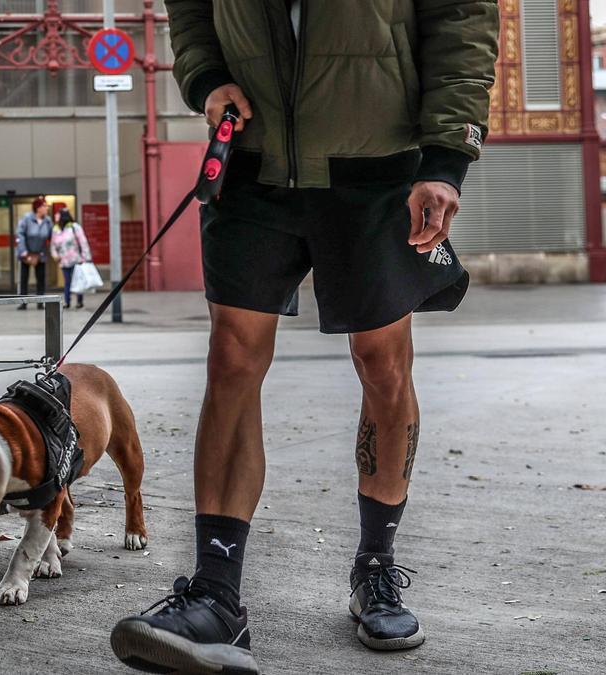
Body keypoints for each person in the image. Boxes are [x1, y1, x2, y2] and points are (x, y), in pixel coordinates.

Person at [110, 3, 498, 673]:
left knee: (383, 364)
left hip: (377, 166)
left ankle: (375, 567)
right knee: (231, 355)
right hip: (254, 160)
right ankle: (216, 594)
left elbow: (461, 14)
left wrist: (445, 156)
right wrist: (206, 79)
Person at [49, 207, 92, 309]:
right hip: (64, 261)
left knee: (78, 280)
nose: (56, 217)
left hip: (77, 260)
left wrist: (85, 257)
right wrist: (55, 255)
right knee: (67, 281)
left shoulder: (74, 227)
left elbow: (83, 242)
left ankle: (79, 301)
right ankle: (67, 301)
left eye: (57, 215)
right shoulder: (56, 229)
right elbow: (53, 245)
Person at [15, 197, 52, 310]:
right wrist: (24, 252)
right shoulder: (27, 218)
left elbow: (50, 237)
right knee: (24, 278)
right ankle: (23, 302)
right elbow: (20, 235)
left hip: (40, 253)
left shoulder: (48, 221)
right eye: (44, 206)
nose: (46, 208)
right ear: (38, 208)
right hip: (26, 253)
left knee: (40, 278)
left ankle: (40, 302)